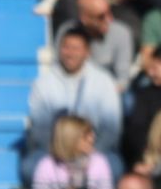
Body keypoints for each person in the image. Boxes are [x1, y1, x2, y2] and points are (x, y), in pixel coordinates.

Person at [27, 28, 123, 179]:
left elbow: (111, 128)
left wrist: (91, 154)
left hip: (93, 150)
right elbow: (39, 127)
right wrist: (60, 154)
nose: (70, 53)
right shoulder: (43, 83)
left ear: (87, 52)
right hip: (54, 152)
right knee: (31, 167)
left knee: (114, 167)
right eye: (66, 47)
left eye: (76, 48)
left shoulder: (104, 81)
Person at [73, 0, 136, 93]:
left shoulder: (121, 33)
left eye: (109, 12)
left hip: (110, 92)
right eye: (101, 16)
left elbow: (123, 79)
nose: (109, 19)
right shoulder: (68, 34)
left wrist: (103, 96)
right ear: (84, 18)